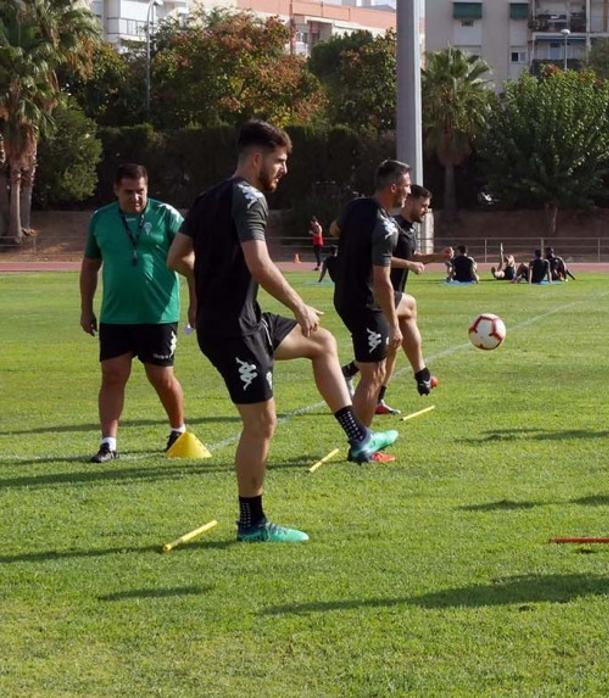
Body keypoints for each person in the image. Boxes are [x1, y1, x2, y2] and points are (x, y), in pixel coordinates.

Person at [168, 120, 397, 544]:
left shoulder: (207, 197)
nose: (284, 170)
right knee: (261, 423)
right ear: (257, 159)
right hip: (234, 330)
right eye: (280, 161)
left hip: (245, 318)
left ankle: (358, 436)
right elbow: (259, 263)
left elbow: (178, 257)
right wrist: (298, 304)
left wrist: (202, 286)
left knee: (322, 342)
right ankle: (252, 523)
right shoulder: (250, 198)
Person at [80, 163, 189, 463]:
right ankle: (108, 443)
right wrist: (85, 308)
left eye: (141, 191)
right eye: (129, 192)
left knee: (161, 377)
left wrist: (196, 303)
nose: (136, 198)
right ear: (116, 190)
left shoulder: (166, 215)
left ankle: (178, 430)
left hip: (159, 314)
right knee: (112, 376)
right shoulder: (101, 219)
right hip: (116, 315)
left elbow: (191, 260)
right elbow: (90, 265)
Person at [342, 184, 451, 415]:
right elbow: (385, 257)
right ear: (409, 201)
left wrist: (436, 256)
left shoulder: (408, 230)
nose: (425, 210)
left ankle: (370, 389)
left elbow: (411, 257)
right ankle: (421, 372)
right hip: (378, 293)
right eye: (423, 205)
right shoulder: (391, 226)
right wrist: (409, 264)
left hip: (388, 295)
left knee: (391, 348)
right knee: (410, 306)